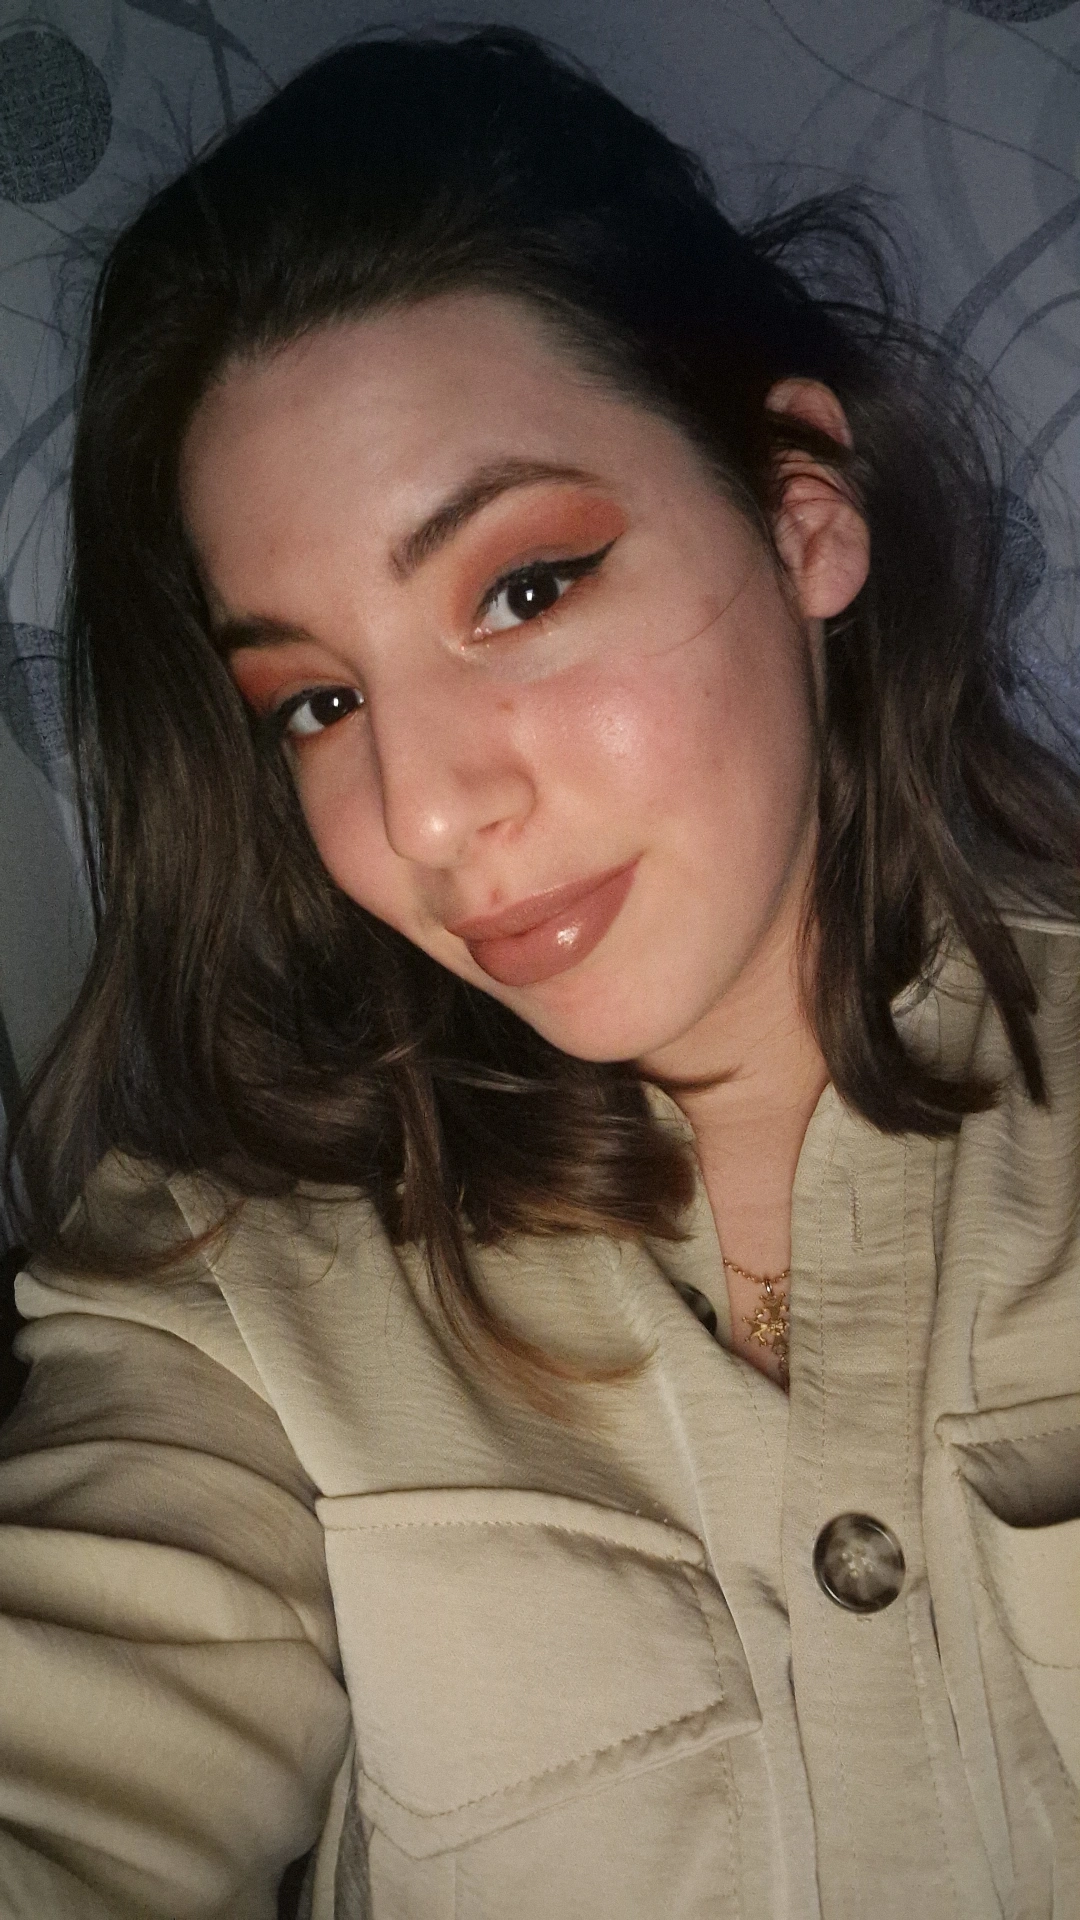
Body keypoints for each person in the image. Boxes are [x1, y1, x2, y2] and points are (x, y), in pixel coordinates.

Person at [1, 23, 1078, 1919]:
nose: (425, 812)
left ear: (802, 511)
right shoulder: (228, 1289)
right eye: (317, 702)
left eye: (522, 589)